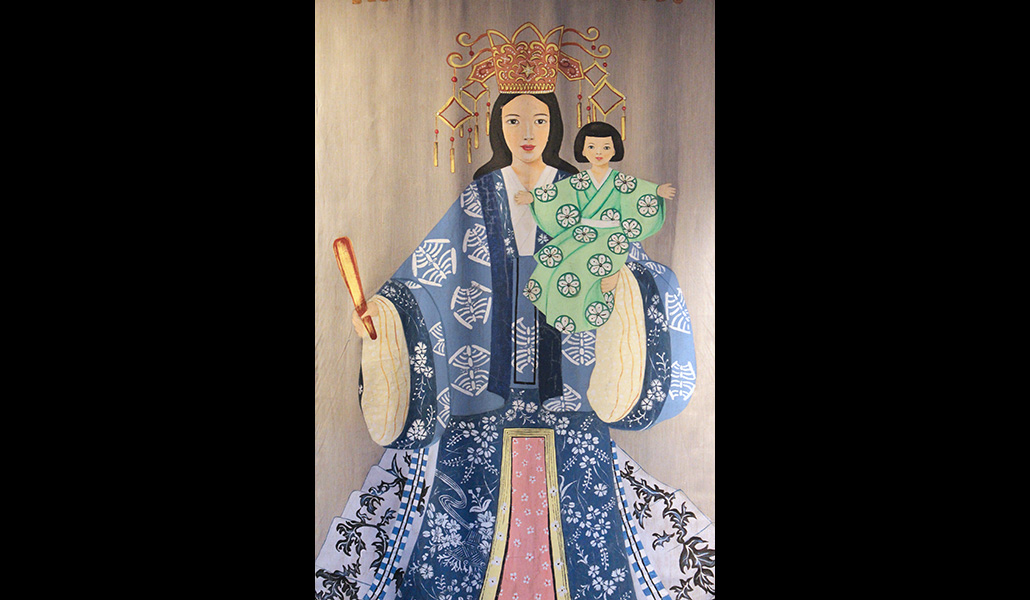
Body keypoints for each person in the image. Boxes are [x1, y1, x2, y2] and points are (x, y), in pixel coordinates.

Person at [315, 25, 714, 600]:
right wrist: (381, 316)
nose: (527, 134)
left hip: (569, 391)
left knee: (583, 522)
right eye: (514, 120)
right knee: (463, 529)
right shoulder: (478, 197)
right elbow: (427, 276)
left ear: (556, 126)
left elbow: (627, 264)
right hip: (482, 393)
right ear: (498, 126)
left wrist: (625, 284)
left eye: (540, 120)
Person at [514, 120, 677, 332]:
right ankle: (567, 316)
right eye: (591, 147)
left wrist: (656, 191)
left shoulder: (621, 181)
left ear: (614, 150)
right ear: (582, 150)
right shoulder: (579, 181)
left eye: (606, 147)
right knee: (555, 266)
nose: (598, 152)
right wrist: (534, 197)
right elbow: (557, 194)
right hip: (580, 234)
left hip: (611, 238)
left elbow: (638, 191)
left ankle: (589, 315)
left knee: (595, 274)